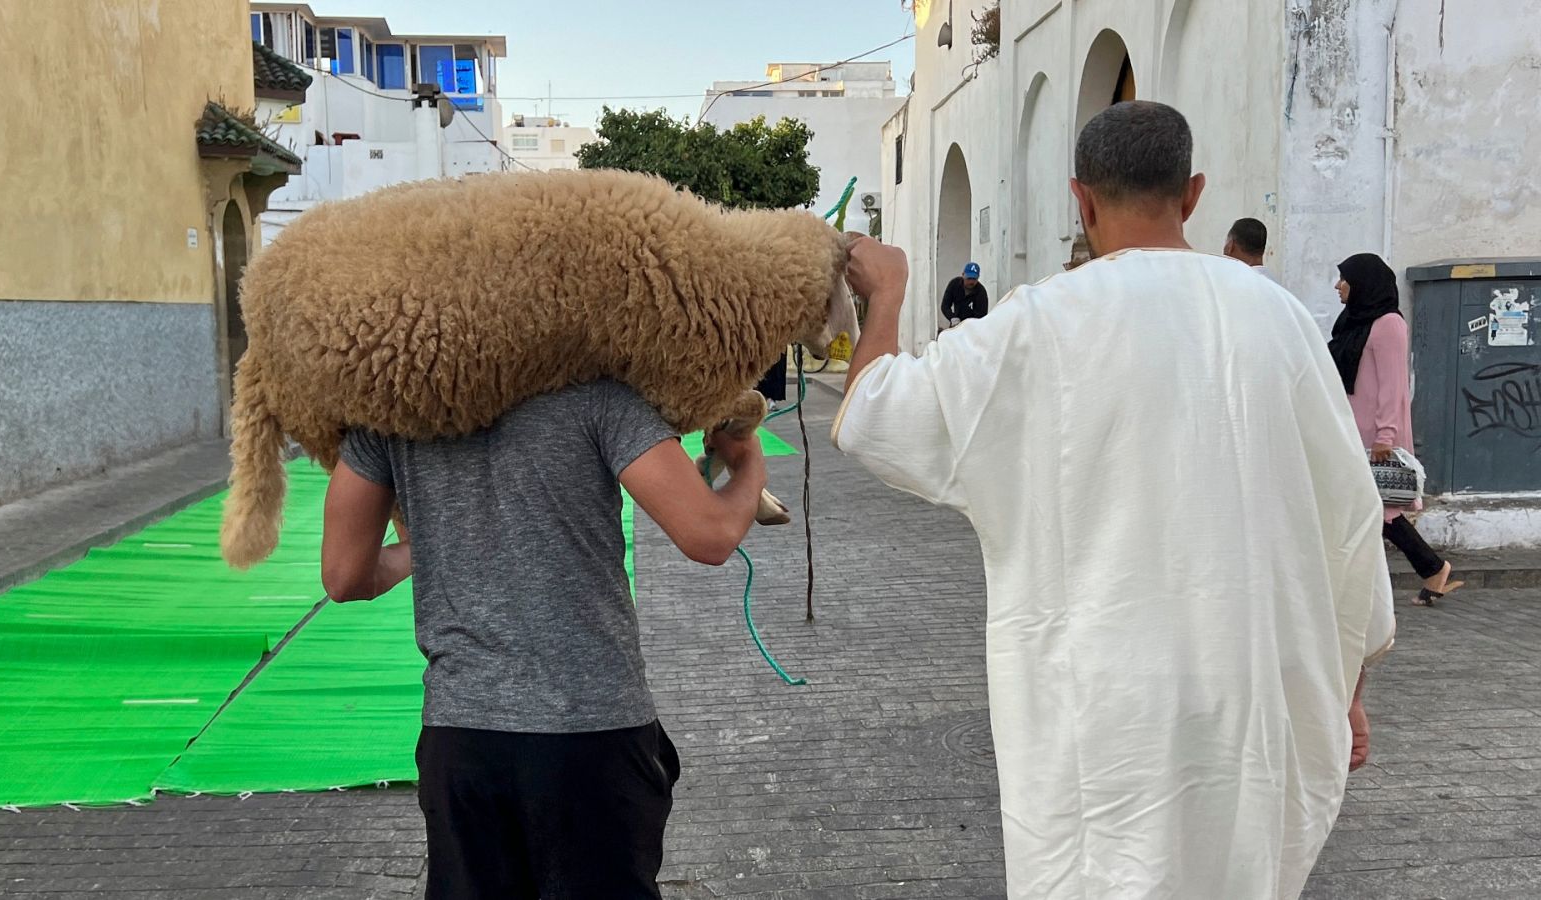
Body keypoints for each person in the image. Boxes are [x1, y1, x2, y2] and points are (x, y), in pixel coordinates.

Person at [833, 101, 1395, 899]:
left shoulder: (1040, 324)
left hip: (1105, 718)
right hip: (1252, 701)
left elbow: (874, 415)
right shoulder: (1284, 321)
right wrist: (1347, 692)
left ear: (1081, 199)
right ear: (1192, 194)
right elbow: (1350, 520)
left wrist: (884, 295)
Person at [320, 379, 767, 898]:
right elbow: (709, 535)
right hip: (593, 734)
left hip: (463, 739)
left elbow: (344, 576)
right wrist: (748, 463)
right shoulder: (599, 396)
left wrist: (431, 542)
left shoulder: (392, 412)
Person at [1331, 252, 1461, 606]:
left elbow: (1393, 385)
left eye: (1344, 279)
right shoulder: (1353, 322)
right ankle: (1432, 569)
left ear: (1363, 283)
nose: (1337, 286)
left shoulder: (1388, 324)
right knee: (1373, 511)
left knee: (1379, 510)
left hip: (1376, 437)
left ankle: (1430, 569)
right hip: (1351, 432)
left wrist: (1385, 437)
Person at [940, 261, 989, 329]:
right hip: (956, 325)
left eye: (974, 279)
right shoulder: (954, 284)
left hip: (973, 328)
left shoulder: (981, 292)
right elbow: (945, 306)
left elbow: (981, 315)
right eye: (969, 278)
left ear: (978, 277)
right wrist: (952, 317)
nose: (971, 282)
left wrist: (967, 325)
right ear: (963, 275)